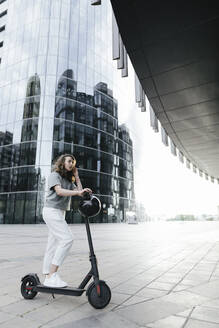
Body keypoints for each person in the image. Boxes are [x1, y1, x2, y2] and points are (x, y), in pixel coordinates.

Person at [42, 154, 92, 288]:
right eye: (69, 161)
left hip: (59, 213)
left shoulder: (69, 180)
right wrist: (76, 193)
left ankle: (47, 276)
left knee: (52, 244)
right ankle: (52, 274)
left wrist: (77, 177)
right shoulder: (55, 175)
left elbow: (80, 192)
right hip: (51, 211)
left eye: (73, 162)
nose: (71, 164)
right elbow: (59, 191)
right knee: (67, 239)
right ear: (62, 162)